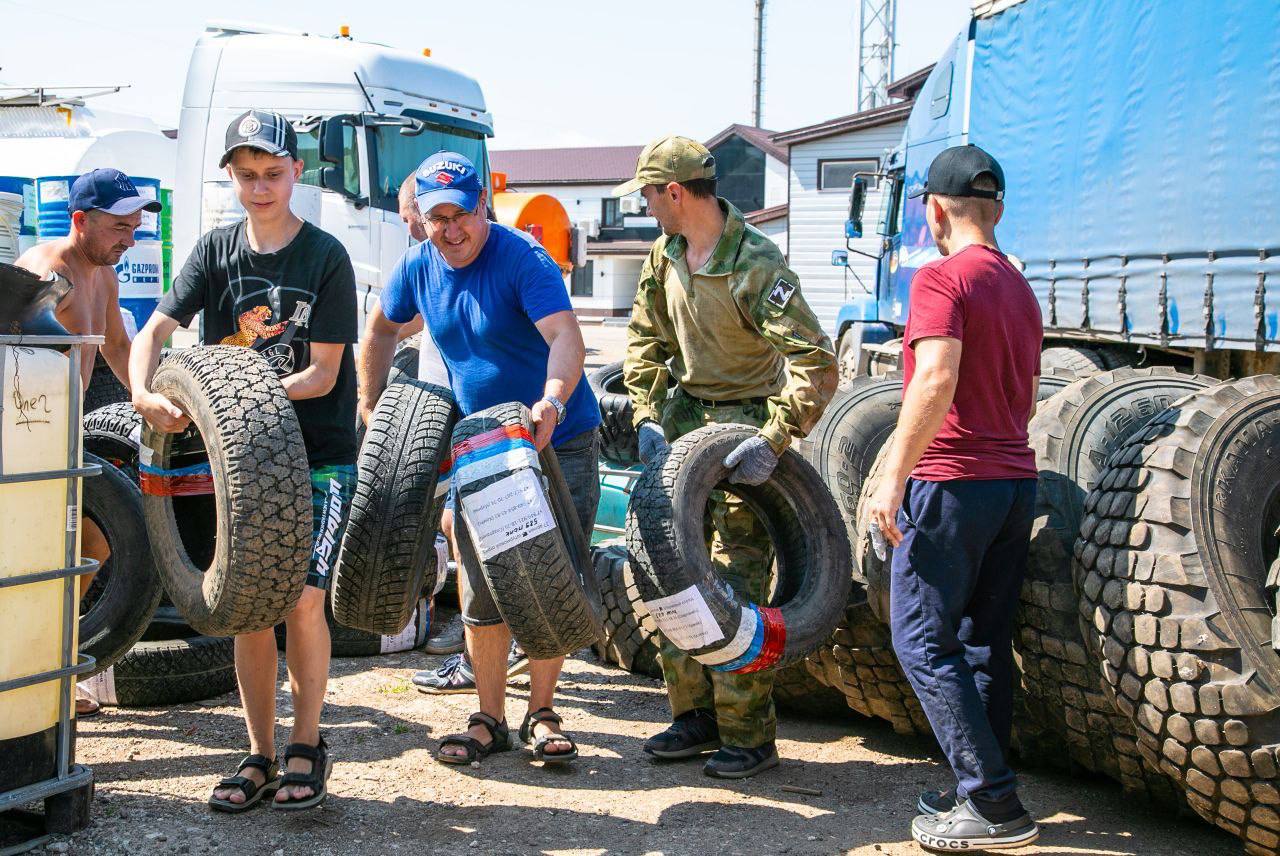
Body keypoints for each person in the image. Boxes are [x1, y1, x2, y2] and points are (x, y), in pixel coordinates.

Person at [129, 110, 358, 812]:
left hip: (317, 458)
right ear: (231, 177)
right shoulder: (214, 251)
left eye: (273, 174)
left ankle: (307, 745)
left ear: (295, 174)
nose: (260, 188)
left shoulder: (325, 257)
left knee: (303, 601)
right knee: (248, 608)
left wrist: (232, 406)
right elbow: (157, 329)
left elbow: (322, 375)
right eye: (247, 175)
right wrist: (142, 391)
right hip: (237, 463)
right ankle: (259, 753)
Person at [359, 151, 600, 767]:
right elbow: (382, 330)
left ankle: (542, 711)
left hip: (555, 441)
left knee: (552, 576)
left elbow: (565, 337)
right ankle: (488, 716)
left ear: (482, 209)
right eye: (437, 217)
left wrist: (550, 402)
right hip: (482, 447)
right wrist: (372, 408)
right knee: (482, 580)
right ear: (422, 218)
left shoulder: (523, 259)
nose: (451, 230)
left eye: (461, 214)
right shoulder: (418, 265)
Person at [618, 136, 837, 779]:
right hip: (685, 423)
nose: (648, 207)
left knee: (732, 588)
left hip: (743, 434)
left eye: (651, 195)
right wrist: (649, 417)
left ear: (676, 193)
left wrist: (775, 437)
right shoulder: (665, 256)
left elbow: (815, 362)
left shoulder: (756, 263)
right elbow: (645, 342)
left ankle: (748, 734)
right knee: (668, 574)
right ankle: (695, 716)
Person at [864, 144, 1042, 850]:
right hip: (1011, 481)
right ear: (995, 209)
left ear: (934, 210)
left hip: (953, 481)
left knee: (919, 639)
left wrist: (892, 476)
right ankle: (982, 785)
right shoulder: (1019, 286)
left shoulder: (941, 278)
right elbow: (1025, 394)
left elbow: (934, 379)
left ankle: (994, 805)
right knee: (979, 640)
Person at [16, 168, 162, 717]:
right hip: (24, 439)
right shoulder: (44, 271)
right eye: (121, 227)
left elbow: (120, 350)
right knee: (32, 559)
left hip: (62, 438)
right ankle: (28, 677)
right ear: (80, 221)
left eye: (136, 227)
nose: (131, 238)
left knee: (94, 547)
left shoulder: (104, 275)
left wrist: (147, 398)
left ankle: (49, 665)